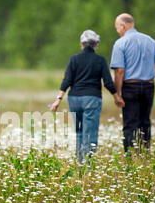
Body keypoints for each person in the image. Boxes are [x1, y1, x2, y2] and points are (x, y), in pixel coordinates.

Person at [50, 30, 124, 165]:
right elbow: (107, 82)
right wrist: (116, 96)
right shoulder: (100, 60)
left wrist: (58, 99)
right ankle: (87, 164)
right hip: (92, 99)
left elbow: (67, 80)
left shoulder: (74, 59)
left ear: (82, 44)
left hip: (74, 100)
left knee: (79, 131)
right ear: (96, 44)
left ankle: (79, 162)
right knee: (89, 133)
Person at [110, 13, 155, 154]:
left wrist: (117, 93)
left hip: (130, 87)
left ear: (123, 26)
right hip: (149, 86)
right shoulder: (150, 41)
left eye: (117, 28)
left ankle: (130, 157)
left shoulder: (120, 43)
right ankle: (144, 154)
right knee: (145, 122)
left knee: (130, 124)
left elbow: (119, 71)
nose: (117, 31)